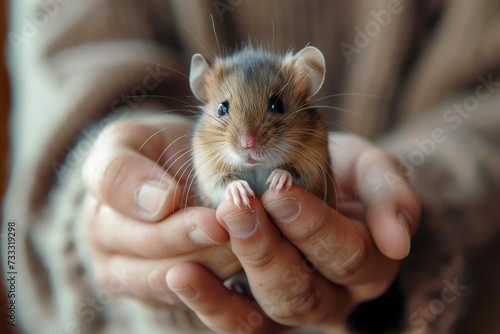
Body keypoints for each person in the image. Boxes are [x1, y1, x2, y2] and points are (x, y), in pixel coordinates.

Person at [3, 0, 500, 333]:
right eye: (225, 113)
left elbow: (487, 92)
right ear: (206, 93)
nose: (248, 139)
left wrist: (424, 206)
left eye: (275, 111)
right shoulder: (205, 143)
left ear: (304, 90)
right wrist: (90, 200)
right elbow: (69, 65)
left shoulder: (310, 137)